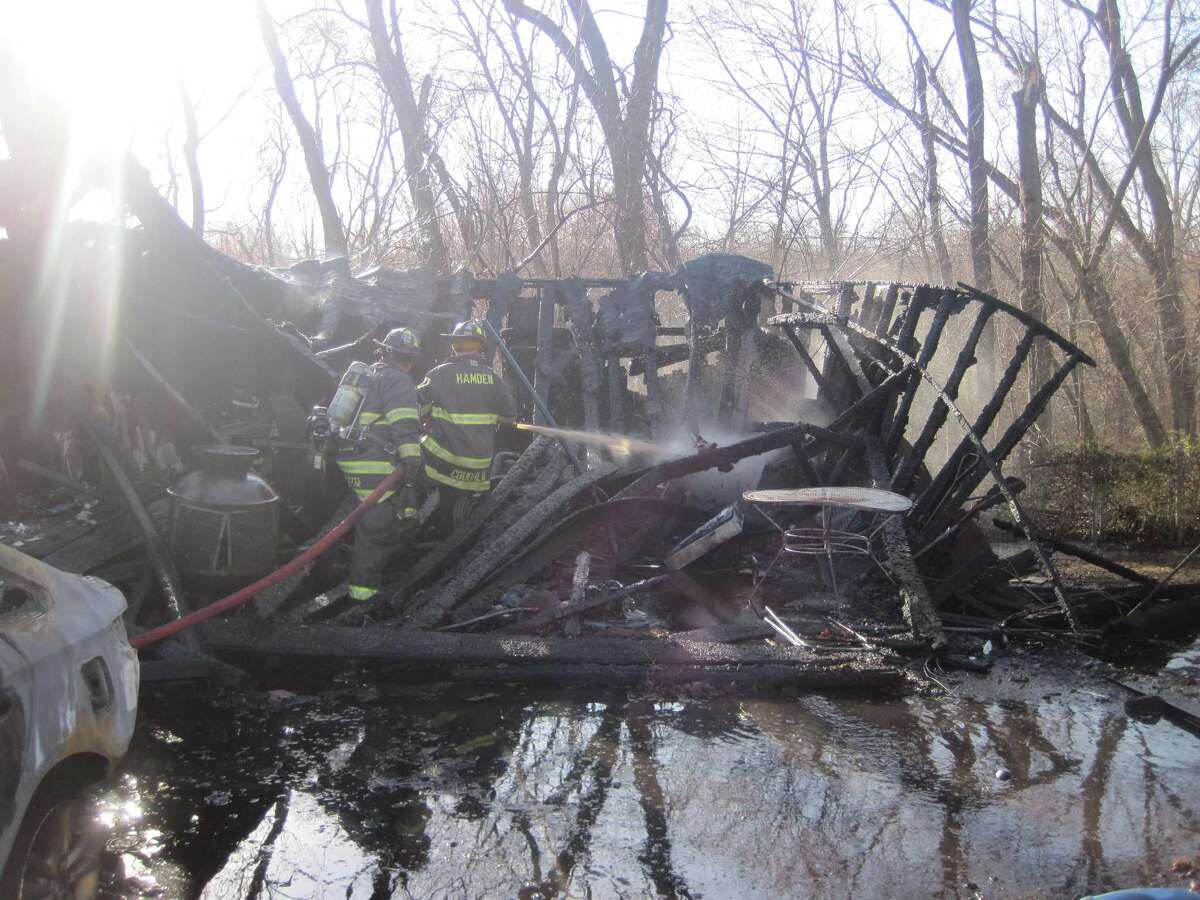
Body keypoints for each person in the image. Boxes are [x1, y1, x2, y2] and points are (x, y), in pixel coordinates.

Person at [335, 327, 423, 602]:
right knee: (377, 529)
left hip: (350, 458)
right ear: (408, 359)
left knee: (360, 520)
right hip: (374, 464)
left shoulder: (366, 375)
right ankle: (362, 600)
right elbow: (404, 426)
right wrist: (412, 463)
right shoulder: (399, 381)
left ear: (384, 351)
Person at [416, 320, 517, 535]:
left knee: (411, 450)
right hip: (480, 464)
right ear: (479, 346)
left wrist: (431, 417)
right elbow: (509, 416)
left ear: (454, 345)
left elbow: (416, 412)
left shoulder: (437, 375)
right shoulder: (493, 378)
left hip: (446, 460)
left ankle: (416, 517)